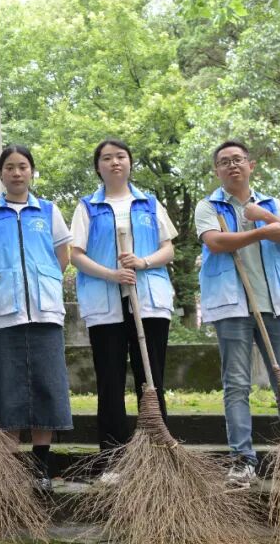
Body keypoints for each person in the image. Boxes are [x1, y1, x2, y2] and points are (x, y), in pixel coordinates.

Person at [195, 140, 280, 487]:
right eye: (224, 161)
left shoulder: (271, 204)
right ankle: (243, 459)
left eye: (238, 159)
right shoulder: (208, 206)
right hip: (231, 306)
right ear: (216, 170)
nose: (232, 165)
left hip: (275, 303)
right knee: (236, 383)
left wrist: (267, 217)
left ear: (250, 165)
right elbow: (215, 242)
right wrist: (261, 232)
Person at [69, 139, 177, 483]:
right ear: (98, 166)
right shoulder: (87, 207)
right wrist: (112, 274)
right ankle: (112, 460)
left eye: (120, 156)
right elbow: (75, 255)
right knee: (110, 381)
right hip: (104, 303)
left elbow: (168, 249)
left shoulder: (150, 203)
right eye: (106, 158)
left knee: (152, 380)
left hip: (149, 301)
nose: (114, 162)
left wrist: (141, 262)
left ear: (130, 162)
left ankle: (156, 457)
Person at [0, 144, 73, 493]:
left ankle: (41, 467)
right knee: (6, 390)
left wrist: (42, 282)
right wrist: (3, 284)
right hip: (3, 314)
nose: (16, 172)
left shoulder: (49, 211)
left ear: (31, 171)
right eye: (10, 167)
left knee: (47, 387)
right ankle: (10, 470)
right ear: (1, 173)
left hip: (44, 312)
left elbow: (62, 256)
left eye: (23, 166)